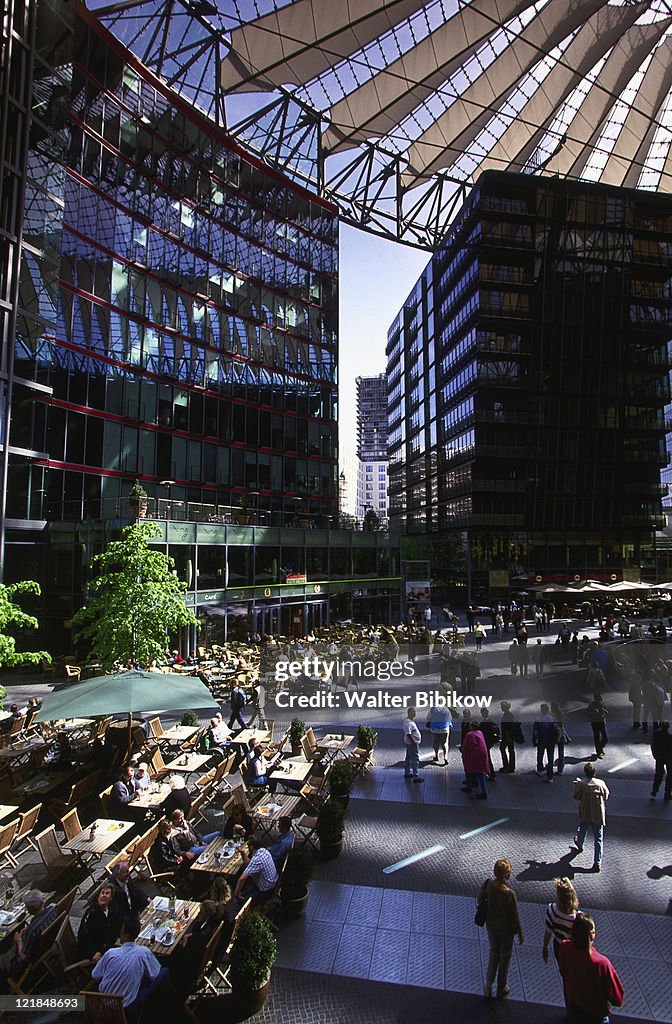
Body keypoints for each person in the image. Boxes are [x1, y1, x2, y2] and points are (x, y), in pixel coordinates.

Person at [92, 916, 171, 1016]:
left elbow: (95, 975)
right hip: (127, 1007)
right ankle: (162, 1009)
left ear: (126, 936)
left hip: (104, 1002)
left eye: (121, 932)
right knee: (164, 971)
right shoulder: (143, 952)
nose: (119, 934)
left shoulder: (111, 953)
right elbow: (154, 975)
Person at [558, 913, 624, 1023]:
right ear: (591, 935)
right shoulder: (601, 963)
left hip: (574, 1010)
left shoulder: (564, 947)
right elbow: (617, 999)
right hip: (596, 1016)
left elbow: (563, 971)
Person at [478, 858, 523, 999]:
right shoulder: (509, 894)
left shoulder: (488, 884)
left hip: (491, 925)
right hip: (505, 930)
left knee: (493, 953)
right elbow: (514, 916)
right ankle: (501, 985)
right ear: (507, 875)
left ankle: (488, 985)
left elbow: (480, 900)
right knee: (505, 957)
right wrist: (519, 933)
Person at [0, 890, 57, 980]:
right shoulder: (53, 910)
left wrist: (18, 941)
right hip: (47, 943)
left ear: (32, 908)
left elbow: (23, 956)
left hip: (28, 960)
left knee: (2, 957)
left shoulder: (33, 930)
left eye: (27, 907)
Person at [572, 763, 609, 872]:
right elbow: (606, 795)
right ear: (594, 772)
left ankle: (580, 844)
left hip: (586, 812)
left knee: (583, 830)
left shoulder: (582, 784)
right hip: (598, 814)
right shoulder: (601, 783)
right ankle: (597, 862)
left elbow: (576, 796)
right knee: (598, 838)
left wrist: (576, 785)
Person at [77, 883, 123, 962]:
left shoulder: (112, 909)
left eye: (107, 893)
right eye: (102, 893)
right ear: (98, 896)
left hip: (110, 944)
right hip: (96, 952)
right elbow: (84, 936)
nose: (104, 895)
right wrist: (94, 952)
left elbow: (119, 923)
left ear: (111, 898)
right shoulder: (91, 913)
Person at [233, 834, 278, 906]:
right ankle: (246, 888)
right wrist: (243, 853)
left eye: (248, 846)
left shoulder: (256, 860)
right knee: (244, 869)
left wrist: (236, 894)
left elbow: (242, 879)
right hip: (272, 882)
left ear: (252, 846)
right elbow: (249, 864)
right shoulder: (264, 851)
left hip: (267, 890)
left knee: (240, 901)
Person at [542, 877, 579, 963]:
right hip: (572, 949)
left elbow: (548, 932)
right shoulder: (577, 917)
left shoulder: (552, 910)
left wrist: (545, 947)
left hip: (559, 946)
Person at [461, 722, 489, 799]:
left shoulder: (469, 735)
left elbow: (466, 747)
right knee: (480, 774)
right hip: (481, 756)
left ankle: (468, 787)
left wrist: (463, 754)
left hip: (473, 756)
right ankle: (483, 791)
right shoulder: (480, 733)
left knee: (468, 770)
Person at [532, 703, 556, 782]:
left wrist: (534, 741)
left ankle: (540, 770)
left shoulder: (538, 719)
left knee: (540, 755)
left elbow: (535, 732)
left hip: (542, 740)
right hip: (550, 741)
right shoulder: (552, 719)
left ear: (541, 710)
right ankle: (550, 776)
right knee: (550, 758)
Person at [650, 720, 672, 800]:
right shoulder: (669, 737)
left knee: (658, 774)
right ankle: (667, 793)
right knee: (670, 776)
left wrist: (655, 755)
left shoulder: (656, 735)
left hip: (659, 757)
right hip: (669, 758)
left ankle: (655, 789)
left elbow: (653, 745)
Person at [402, 707, 423, 782]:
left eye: (414, 712)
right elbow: (408, 734)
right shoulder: (408, 723)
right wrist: (414, 742)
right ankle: (416, 776)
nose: (414, 713)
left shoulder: (408, 721)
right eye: (412, 712)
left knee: (408, 758)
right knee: (415, 759)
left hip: (409, 743)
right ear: (408, 713)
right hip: (411, 744)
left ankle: (407, 773)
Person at [478, 708, 499, 780]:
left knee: (487, 758)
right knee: (487, 757)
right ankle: (489, 772)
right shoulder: (491, 722)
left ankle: (490, 773)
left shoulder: (483, 723)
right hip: (489, 742)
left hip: (485, 742)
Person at [586, 692, 608, 759]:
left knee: (605, 738)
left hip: (601, 722)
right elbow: (588, 714)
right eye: (599, 697)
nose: (601, 698)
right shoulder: (592, 705)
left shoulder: (602, 704)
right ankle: (599, 752)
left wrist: (603, 711)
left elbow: (606, 712)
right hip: (595, 723)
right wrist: (594, 712)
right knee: (597, 737)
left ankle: (600, 748)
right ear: (596, 698)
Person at [550, 701, 569, 776]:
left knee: (551, 751)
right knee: (561, 753)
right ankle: (560, 769)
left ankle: (550, 767)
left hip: (554, 735)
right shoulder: (561, 715)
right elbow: (562, 728)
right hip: (561, 735)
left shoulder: (553, 716)